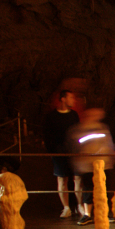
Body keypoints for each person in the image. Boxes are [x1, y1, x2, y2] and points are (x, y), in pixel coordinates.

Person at [69, 108, 115, 226]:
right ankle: (87, 214)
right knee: (88, 189)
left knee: (105, 189)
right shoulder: (80, 129)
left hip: (104, 164)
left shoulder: (103, 128)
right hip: (87, 165)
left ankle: (105, 213)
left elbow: (109, 144)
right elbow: (77, 145)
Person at [44, 90, 81, 218]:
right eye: (71, 97)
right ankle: (66, 207)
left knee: (77, 178)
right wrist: (54, 150)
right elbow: (47, 136)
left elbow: (78, 133)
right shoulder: (51, 117)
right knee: (62, 179)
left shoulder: (74, 115)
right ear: (63, 99)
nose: (73, 100)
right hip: (59, 153)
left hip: (73, 152)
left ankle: (79, 205)